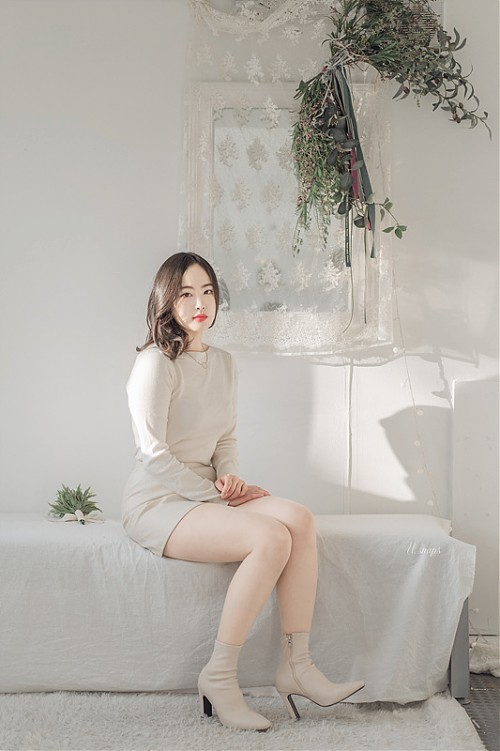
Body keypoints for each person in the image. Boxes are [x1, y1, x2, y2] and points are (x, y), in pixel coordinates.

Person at [122, 252, 365, 731]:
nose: (200, 304)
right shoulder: (155, 363)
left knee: (299, 519)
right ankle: (218, 675)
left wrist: (230, 478)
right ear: (166, 299)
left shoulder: (224, 363)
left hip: (207, 492)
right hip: (158, 500)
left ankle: (298, 666)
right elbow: (153, 454)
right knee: (270, 537)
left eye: (207, 292)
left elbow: (225, 440)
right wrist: (216, 496)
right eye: (186, 293)